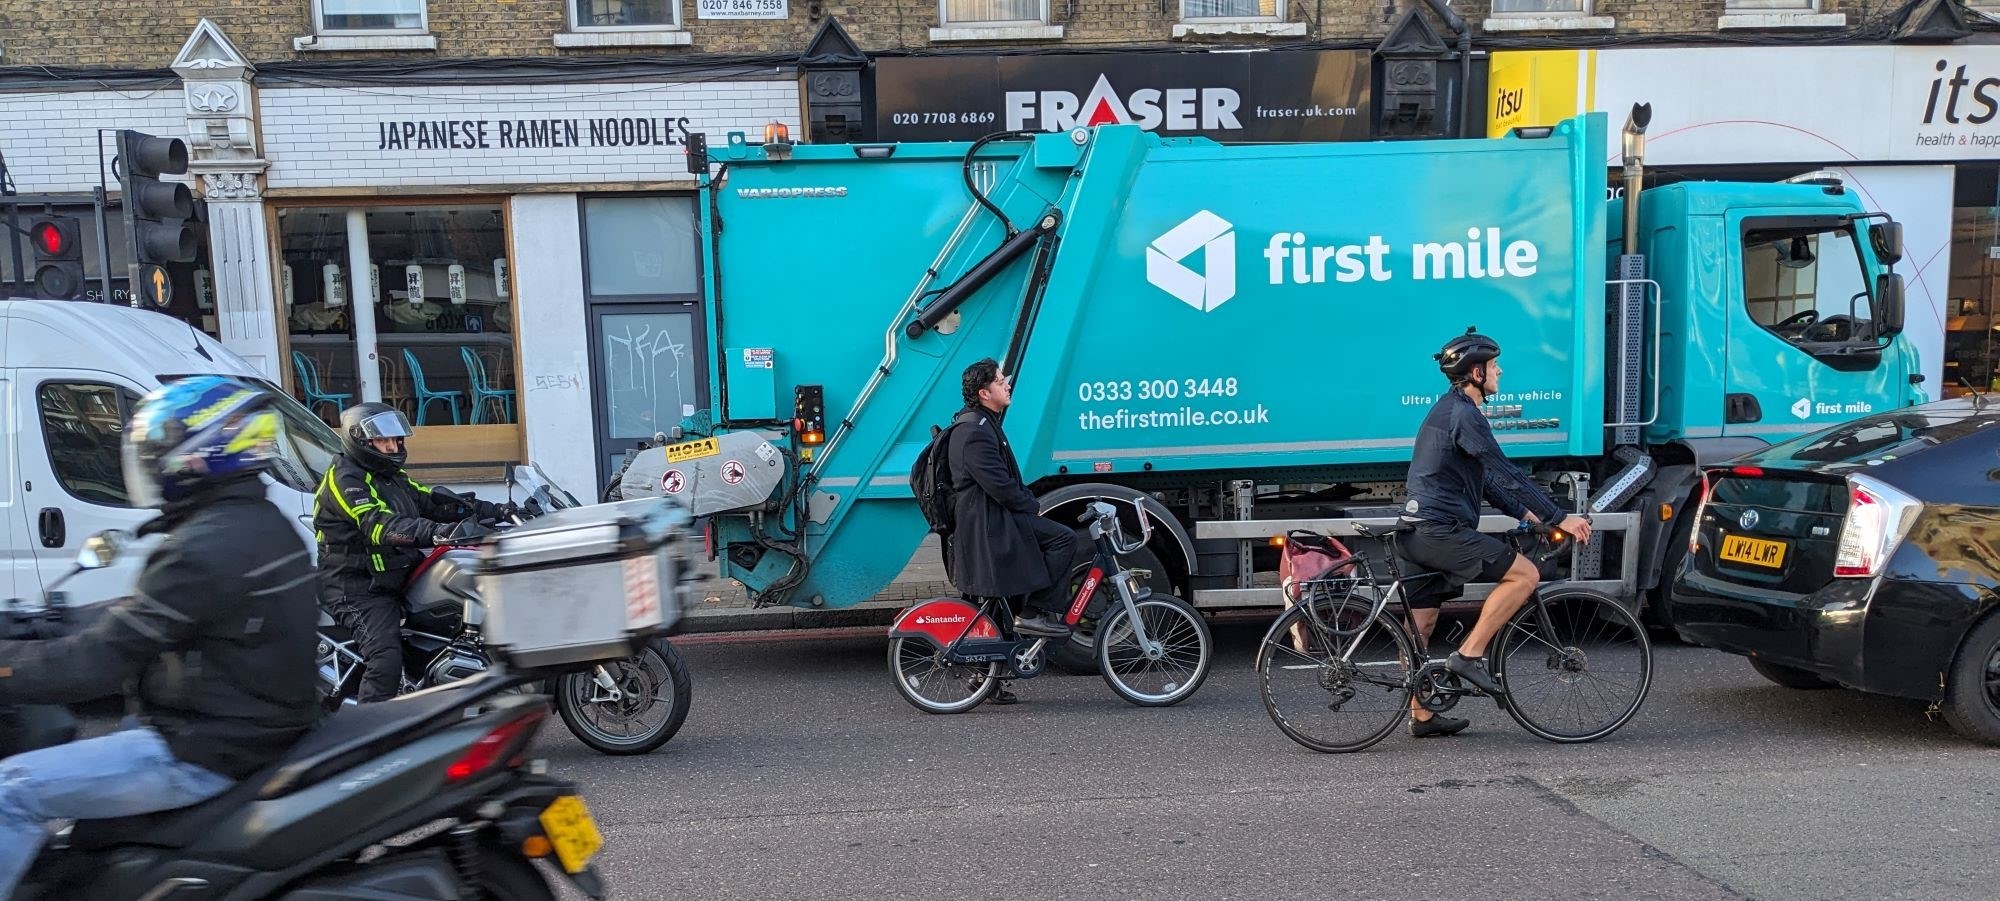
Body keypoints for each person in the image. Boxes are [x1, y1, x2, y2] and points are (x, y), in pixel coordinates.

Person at [0, 376, 323, 896]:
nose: (150, 466)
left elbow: (97, 662)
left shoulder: (203, 546)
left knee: (11, 792)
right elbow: (151, 616)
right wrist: (40, 625)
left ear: (194, 456)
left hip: (203, 749)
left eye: (156, 453)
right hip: (248, 730)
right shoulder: (257, 523)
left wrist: (8, 666)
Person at [1397, 328, 1594, 738]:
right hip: (1439, 531)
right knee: (1525, 575)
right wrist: (1559, 516)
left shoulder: (1449, 411)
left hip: (1417, 531)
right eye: (1494, 365)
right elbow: (1506, 471)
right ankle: (1469, 656)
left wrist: (1525, 515)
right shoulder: (1465, 415)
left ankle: (1422, 715)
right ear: (1475, 372)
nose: (1500, 371)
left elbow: (1486, 481)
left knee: (1422, 626)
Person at [314, 402, 504, 703]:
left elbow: (430, 500)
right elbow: (376, 523)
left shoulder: (392, 477)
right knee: (385, 658)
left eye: (396, 440)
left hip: (396, 574)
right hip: (355, 585)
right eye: (383, 441)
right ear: (360, 440)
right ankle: (370, 738)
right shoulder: (345, 478)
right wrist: (434, 532)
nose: (392, 447)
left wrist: (492, 510)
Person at [947, 359, 1076, 641]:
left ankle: (986, 678)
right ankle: (1034, 614)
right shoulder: (974, 433)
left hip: (991, 520)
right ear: (984, 393)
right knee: (1063, 539)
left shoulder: (981, 423)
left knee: (1000, 616)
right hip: (989, 527)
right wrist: (1032, 506)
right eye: (999, 380)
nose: (1007, 384)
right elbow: (1000, 487)